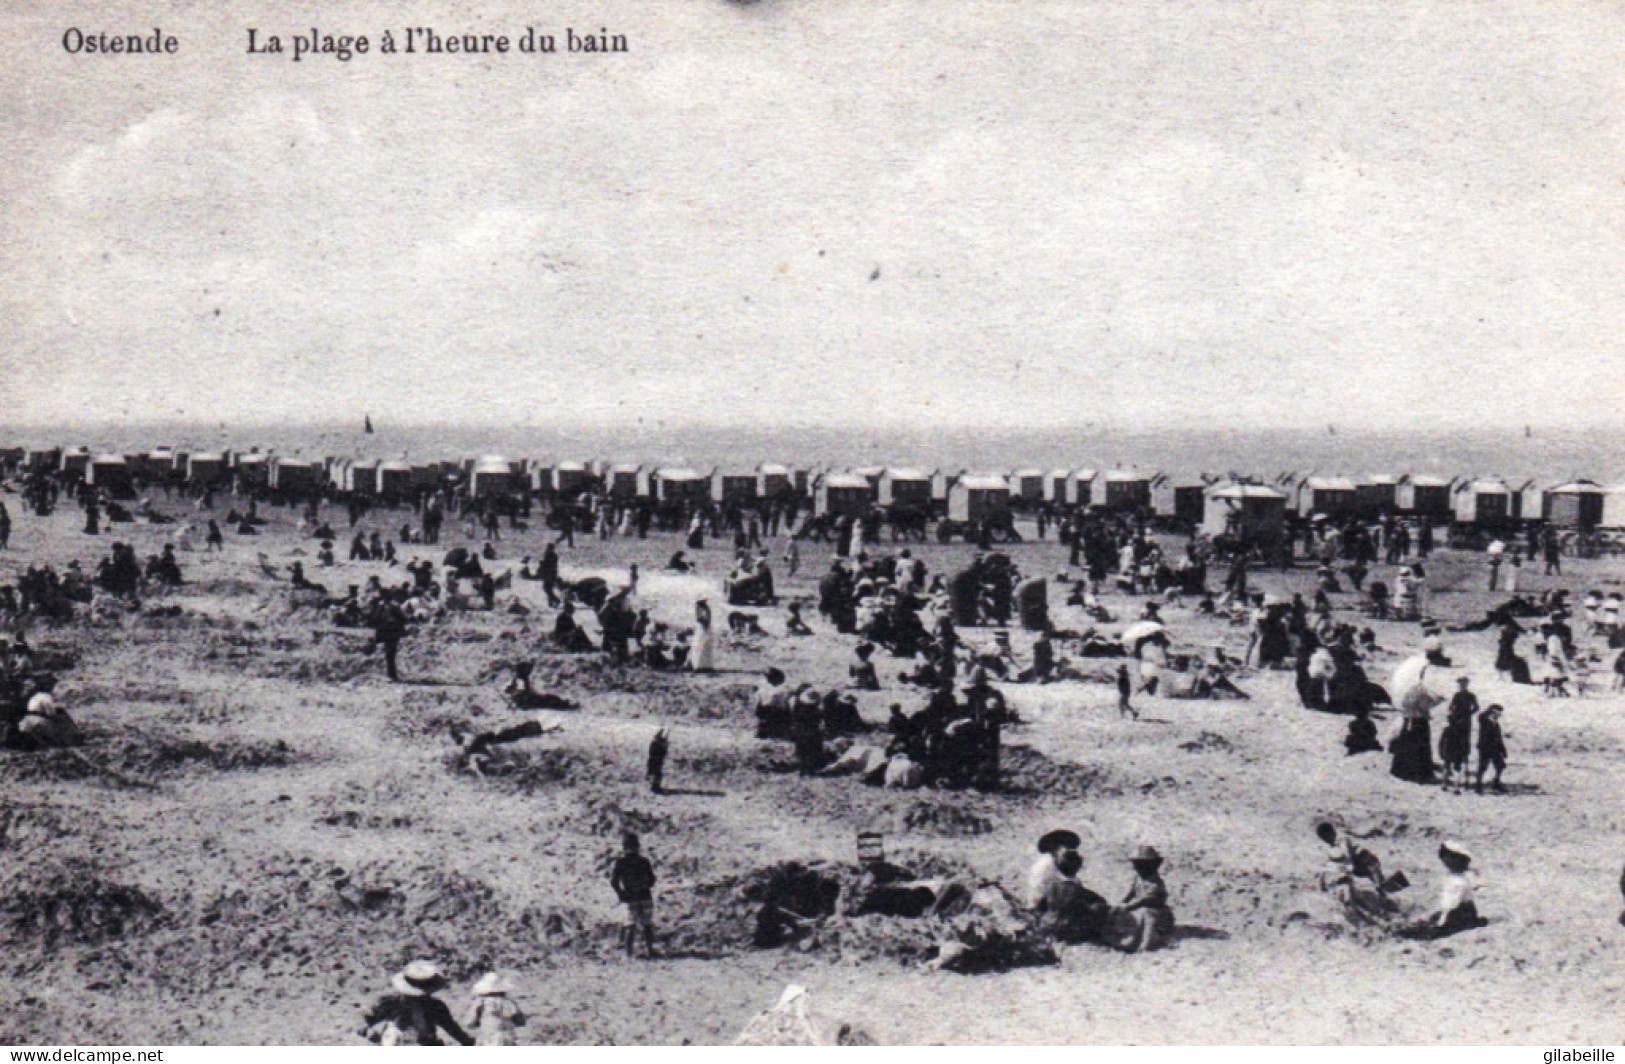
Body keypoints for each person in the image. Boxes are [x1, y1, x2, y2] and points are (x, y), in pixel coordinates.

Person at [360, 960, 474, 1046]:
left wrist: (467, 1042)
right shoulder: (391, 1002)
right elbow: (366, 1018)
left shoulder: (436, 1006)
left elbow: (451, 1027)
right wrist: (370, 1032)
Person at [1398, 842, 1486, 940]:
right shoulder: (1457, 878)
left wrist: (1440, 922)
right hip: (1463, 911)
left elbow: (1451, 906)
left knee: (1425, 933)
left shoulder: (1458, 882)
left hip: (1459, 914)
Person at [1315, 821, 1397, 926]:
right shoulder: (1330, 851)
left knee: (1376, 899)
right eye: (1324, 838)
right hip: (1350, 880)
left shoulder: (1345, 842)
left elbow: (1370, 860)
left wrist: (1378, 880)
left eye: (1328, 835)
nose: (1327, 839)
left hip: (1362, 872)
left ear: (1333, 832)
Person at [1103, 846, 1175, 952]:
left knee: (1145, 915)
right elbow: (1130, 894)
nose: (1139, 868)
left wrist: (1128, 907)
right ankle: (1119, 939)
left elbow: (1143, 900)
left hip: (1157, 914)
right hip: (1138, 908)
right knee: (1119, 914)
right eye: (1137, 865)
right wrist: (1121, 904)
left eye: (1143, 865)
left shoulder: (1156, 884)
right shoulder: (1138, 879)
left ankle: (1142, 943)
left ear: (1153, 865)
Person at [610, 832, 657, 958]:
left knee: (630, 925)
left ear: (624, 847)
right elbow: (652, 879)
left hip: (630, 897)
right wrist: (644, 887)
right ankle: (650, 950)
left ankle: (629, 953)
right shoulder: (644, 861)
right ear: (638, 846)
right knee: (647, 925)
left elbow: (614, 881)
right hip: (645, 896)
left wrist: (621, 894)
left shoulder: (621, 862)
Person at [462, 973, 526, 1047]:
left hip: (488, 1037)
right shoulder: (508, 1002)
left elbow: (469, 1022)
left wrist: (477, 1022)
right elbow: (521, 1021)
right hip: (507, 1038)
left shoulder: (481, 1001)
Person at [1439, 676, 1477, 791]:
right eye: (1461, 684)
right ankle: (1460, 777)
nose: (1462, 686)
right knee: (1459, 744)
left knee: (1463, 745)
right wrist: (1463, 714)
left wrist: (1467, 714)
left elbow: (1476, 707)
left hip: (1463, 722)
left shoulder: (1469, 695)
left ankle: (1456, 776)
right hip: (1460, 721)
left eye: (1463, 684)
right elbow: (1451, 707)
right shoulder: (1460, 695)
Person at [1475, 704, 1507, 793]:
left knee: (1500, 766)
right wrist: (1488, 710)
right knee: (1482, 767)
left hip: (1495, 749)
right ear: (1493, 712)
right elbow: (1480, 716)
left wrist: (1503, 750)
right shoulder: (1484, 721)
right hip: (1485, 748)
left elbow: (1499, 738)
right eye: (1498, 712)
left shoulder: (1496, 724)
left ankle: (1496, 783)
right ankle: (1478, 786)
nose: (1500, 715)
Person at [647, 727, 669, 794]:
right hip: (655, 761)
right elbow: (663, 753)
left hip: (654, 761)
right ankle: (655, 787)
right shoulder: (656, 745)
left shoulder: (654, 744)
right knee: (656, 774)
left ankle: (654, 786)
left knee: (655, 773)